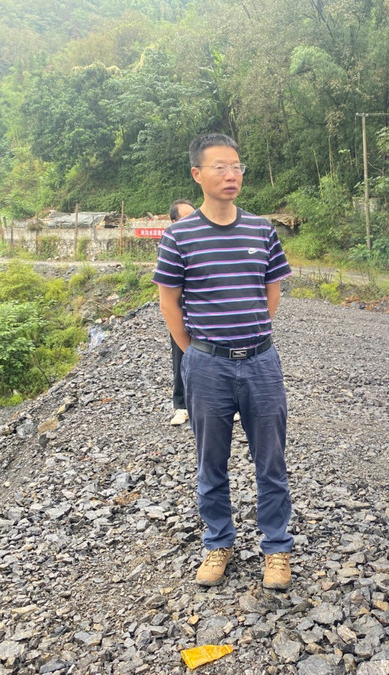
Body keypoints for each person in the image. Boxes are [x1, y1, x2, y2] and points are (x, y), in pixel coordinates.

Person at [153, 133, 294, 590]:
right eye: (220, 167)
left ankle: (276, 548)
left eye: (237, 167)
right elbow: (169, 303)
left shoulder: (261, 229)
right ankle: (218, 542)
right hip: (207, 365)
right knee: (210, 462)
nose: (231, 175)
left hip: (261, 362)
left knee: (271, 460)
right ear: (198, 174)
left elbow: (271, 292)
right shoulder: (179, 235)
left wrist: (249, 335)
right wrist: (196, 350)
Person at [166, 199, 195, 426]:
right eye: (186, 219)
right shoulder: (171, 245)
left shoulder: (206, 240)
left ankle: (225, 406)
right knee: (181, 358)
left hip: (207, 313)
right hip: (182, 311)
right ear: (173, 222)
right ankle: (182, 406)